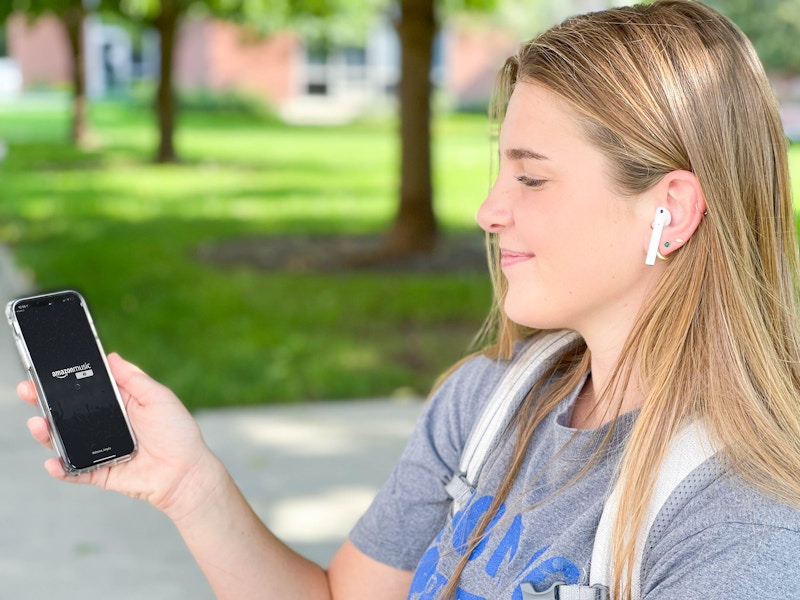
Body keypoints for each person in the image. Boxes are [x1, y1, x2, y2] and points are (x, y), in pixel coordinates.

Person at [17, 1, 800, 598]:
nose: (490, 210)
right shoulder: (486, 405)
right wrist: (192, 487)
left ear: (673, 210)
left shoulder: (742, 518)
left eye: (531, 176)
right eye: (501, 171)